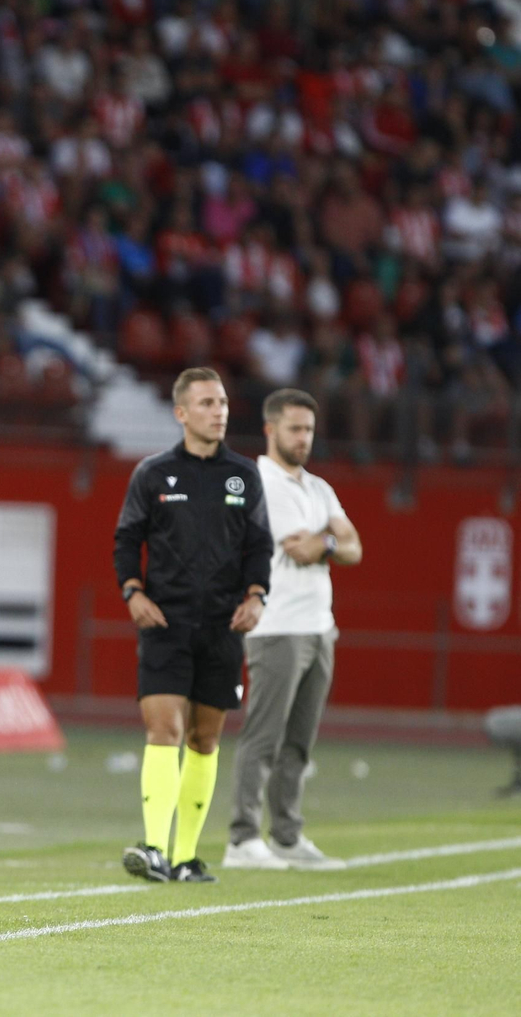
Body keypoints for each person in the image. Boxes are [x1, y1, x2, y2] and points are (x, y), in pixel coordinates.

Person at [113, 366, 273, 883]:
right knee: (165, 728)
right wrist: (132, 591)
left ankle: (183, 858)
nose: (218, 411)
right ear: (181, 413)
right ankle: (154, 849)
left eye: (222, 403)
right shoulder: (153, 474)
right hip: (166, 622)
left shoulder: (243, 475)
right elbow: (124, 541)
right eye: (206, 403)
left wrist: (257, 595)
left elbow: (259, 546)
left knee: (204, 740)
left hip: (223, 626)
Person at [226, 389, 363, 870]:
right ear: (270, 429)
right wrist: (332, 540)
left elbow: (354, 547)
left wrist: (326, 540)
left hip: (319, 626)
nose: (303, 438)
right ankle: (243, 839)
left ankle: (286, 835)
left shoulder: (318, 487)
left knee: (299, 742)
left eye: (308, 430)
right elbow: (304, 549)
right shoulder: (260, 481)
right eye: (294, 429)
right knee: (263, 737)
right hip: (278, 625)